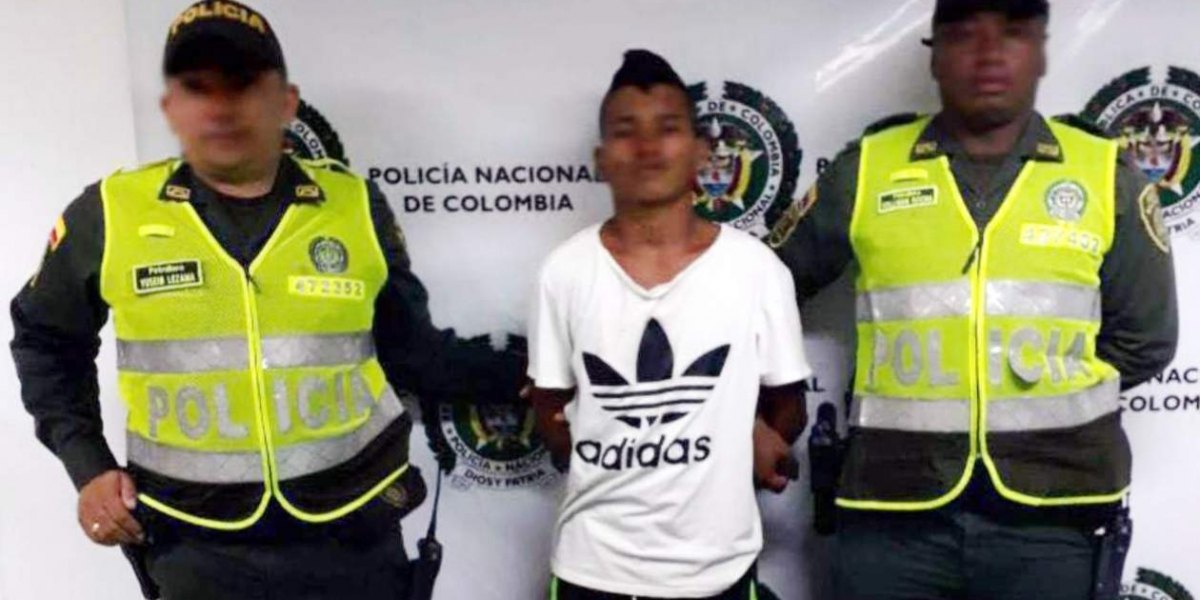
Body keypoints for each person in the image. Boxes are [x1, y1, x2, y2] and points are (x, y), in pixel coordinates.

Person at [9, 2, 518, 598]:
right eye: (198, 87)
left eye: (243, 84)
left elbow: (414, 353)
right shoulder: (110, 213)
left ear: (286, 102)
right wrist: (88, 465)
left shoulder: (356, 207)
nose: (221, 107)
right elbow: (44, 341)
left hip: (353, 535)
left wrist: (537, 375)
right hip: (194, 543)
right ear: (171, 108)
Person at [768, 1, 1178, 598]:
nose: (988, 54)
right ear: (934, 55)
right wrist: (765, 412)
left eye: (1011, 33)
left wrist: (1045, 401)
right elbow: (757, 290)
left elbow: (1146, 339)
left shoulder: (1104, 172)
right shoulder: (868, 169)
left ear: (1040, 50)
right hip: (891, 513)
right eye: (964, 35)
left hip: (1053, 514)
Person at [527, 49, 812, 600]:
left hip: (718, 572)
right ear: (601, 159)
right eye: (626, 131)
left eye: (668, 128)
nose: (647, 146)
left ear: (701, 151)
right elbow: (552, 414)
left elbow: (788, 404)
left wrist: (746, 439)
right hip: (593, 570)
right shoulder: (563, 272)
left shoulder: (756, 270)